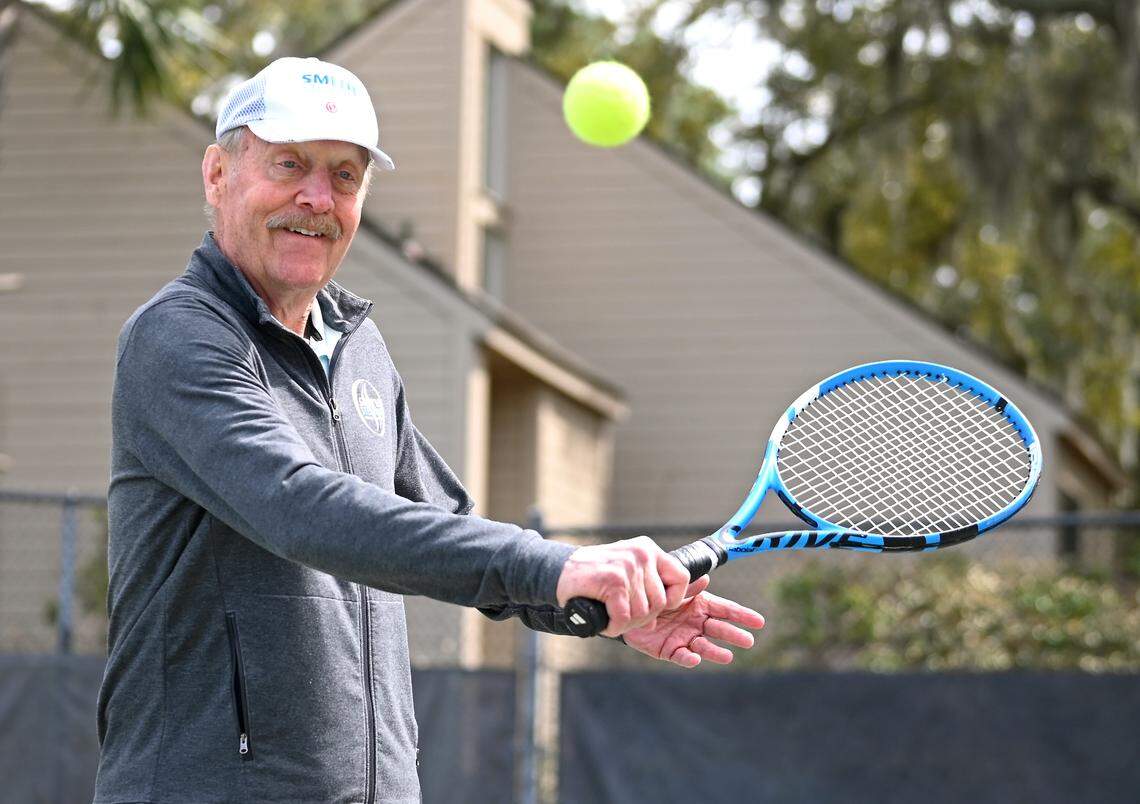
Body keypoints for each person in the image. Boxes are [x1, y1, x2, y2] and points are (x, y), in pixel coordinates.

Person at [93, 56, 765, 803]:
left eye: (345, 176)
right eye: (290, 164)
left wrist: (587, 603)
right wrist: (554, 569)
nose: (317, 198)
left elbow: (439, 523)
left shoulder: (356, 347)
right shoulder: (179, 339)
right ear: (218, 174)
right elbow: (299, 507)